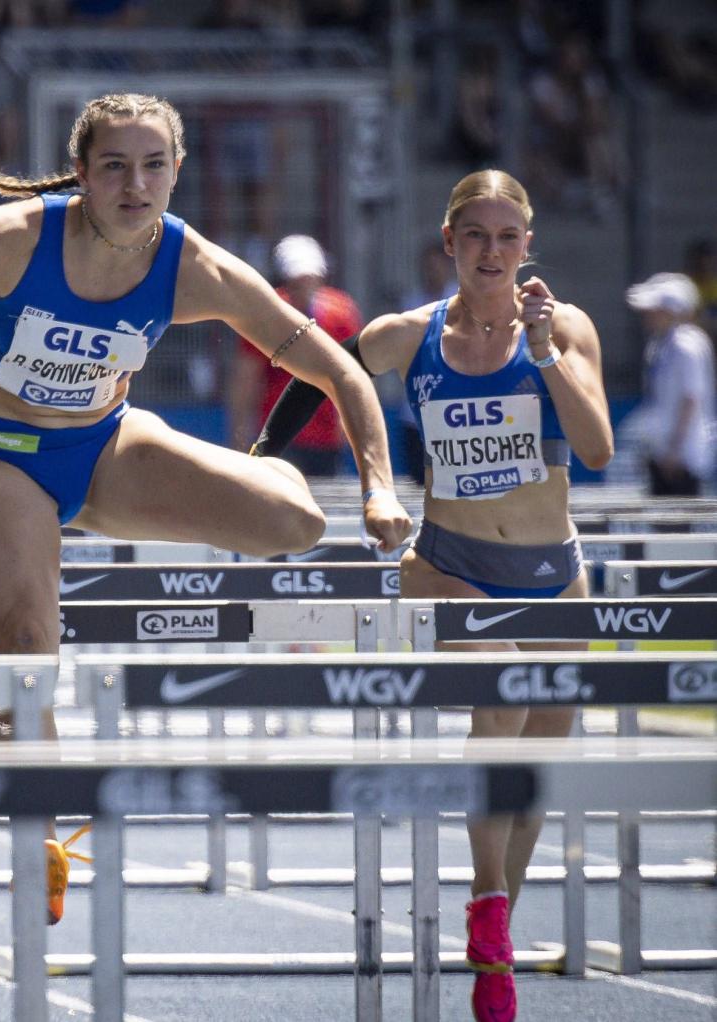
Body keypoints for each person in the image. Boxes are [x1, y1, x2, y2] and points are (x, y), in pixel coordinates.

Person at [0, 92, 412, 926]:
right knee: (29, 654)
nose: (134, 186)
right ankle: (42, 836)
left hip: (106, 448)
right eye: (114, 167)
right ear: (82, 174)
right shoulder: (8, 239)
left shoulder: (196, 267)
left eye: (152, 167)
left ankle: (245, 479)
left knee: (299, 524)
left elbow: (346, 373)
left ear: (176, 173)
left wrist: (379, 487)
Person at [253, 169, 613, 1022]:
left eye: (507, 238)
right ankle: (487, 902)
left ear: (529, 248)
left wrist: (543, 356)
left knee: (536, 770)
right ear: (448, 245)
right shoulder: (404, 335)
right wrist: (265, 452)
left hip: (554, 574)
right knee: (498, 687)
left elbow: (594, 447)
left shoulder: (563, 328)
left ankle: (497, 944)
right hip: (447, 559)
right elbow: (322, 368)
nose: (492, 252)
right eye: (475, 237)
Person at [227, 235, 363, 475]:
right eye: (297, 281)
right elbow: (246, 377)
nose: (304, 287)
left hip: (325, 436)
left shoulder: (341, 313)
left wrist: (351, 423)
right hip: (278, 432)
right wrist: (239, 432)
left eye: (310, 279)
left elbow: (354, 373)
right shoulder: (266, 312)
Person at [627, 272, 715, 495]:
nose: (648, 315)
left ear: (671, 311)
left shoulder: (687, 345)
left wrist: (674, 451)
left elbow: (691, 398)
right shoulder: (661, 344)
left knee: (678, 524)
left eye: (656, 310)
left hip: (681, 458)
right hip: (663, 452)